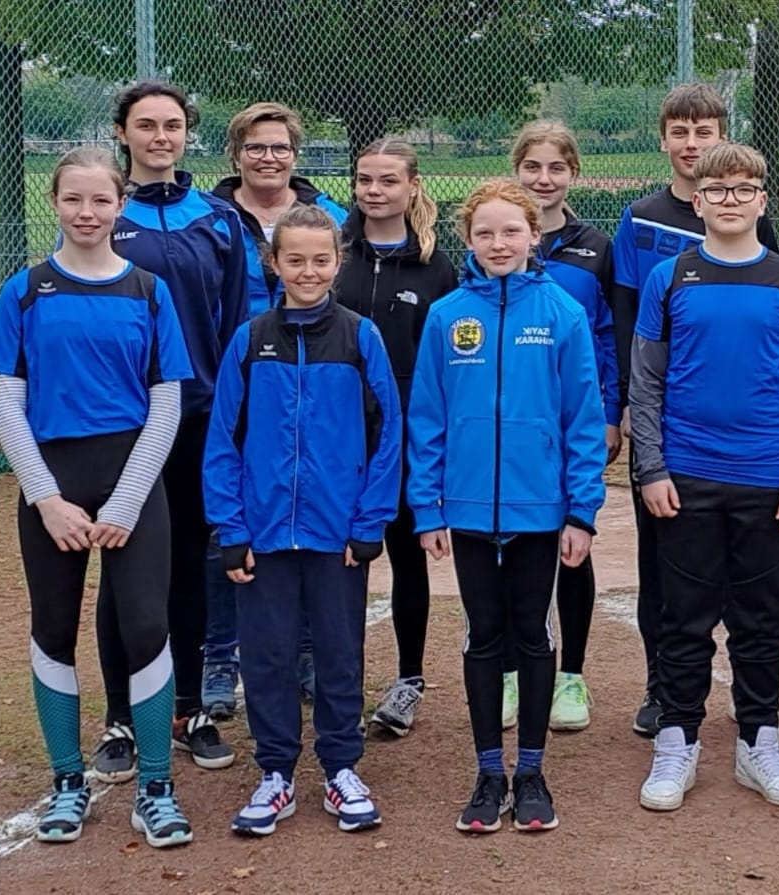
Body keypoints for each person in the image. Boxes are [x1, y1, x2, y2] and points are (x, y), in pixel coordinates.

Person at [0, 148, 194, 848]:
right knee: (53, 626)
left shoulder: (149, 291)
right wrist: (46, 498)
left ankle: (156, 787)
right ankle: (67, 781)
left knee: (146, 625)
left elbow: (166, 403)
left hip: (133, 480)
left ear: (120, 205)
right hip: (54, 484)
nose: (87, 212)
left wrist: (127, 500)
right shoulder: (24, 292)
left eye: (101, 200)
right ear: (55, 202)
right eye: (73, 199)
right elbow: (7, 406)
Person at [631, 142, 779, 812]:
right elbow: (646, 384)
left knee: (761, 618)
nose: (730, 200)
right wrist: (650, 467)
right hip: (685, 475)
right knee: (682, 618)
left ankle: (757, 740)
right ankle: (678, 739)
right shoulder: (669, 278)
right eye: (717, 190)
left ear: (762, 200)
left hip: (768, 480)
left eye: (744, 189)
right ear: (699, 200)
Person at [408, 179, 607, 833]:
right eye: (485, 232)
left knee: (534, 634)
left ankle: (532, 772)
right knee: (482, 635)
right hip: (466, 512)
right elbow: (427, 417)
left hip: (540, 511)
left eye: (511, 231)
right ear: (468, 238)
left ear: (534, 235)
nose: (498, 243)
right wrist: (428, 508)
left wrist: (580, 512)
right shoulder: (447, 315)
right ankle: (489, 771)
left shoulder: (561, 313)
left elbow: (583, 420)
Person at [203, 205, 402, 836]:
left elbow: (387, 435)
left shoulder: (361, 338)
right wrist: (231, 528)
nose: (308, 271)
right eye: (295, 260)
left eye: (321, 260)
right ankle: (276, 774)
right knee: (267, 656)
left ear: (338, 262)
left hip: (337, 535)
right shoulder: (249, 340)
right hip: (262, 536)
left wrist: (369, 523)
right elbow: (223, 441)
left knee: (339, 654)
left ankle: (341, 769)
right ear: (274, 263)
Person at [610, 83, 779, 737]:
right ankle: (663, 687)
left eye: (703, 131)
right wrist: (628, 403)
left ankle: (749, 693)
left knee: (744, 569)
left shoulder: (748, 215)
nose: (691, 143)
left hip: (739, 436)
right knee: (663, 560)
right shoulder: (641, 217)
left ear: (721, 136)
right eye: (679, 132)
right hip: (665, 424)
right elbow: (627, 315)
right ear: (663, 140)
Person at [94, 80, 248, 781]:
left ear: (188, 133)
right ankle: (120, 719)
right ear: (122, 132)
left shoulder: (218, 217)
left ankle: (188, 710)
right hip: (122, 424)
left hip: (198, 417)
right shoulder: (104, 213)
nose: (161, 137)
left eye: (173, 125)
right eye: (147, 125)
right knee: (123, 567)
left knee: (189, 562)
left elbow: (236, 325)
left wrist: (231, 409)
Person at [203, 102, 348, 718]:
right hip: (240, 380)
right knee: (229, 525)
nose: (269, 157)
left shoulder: (331, 216)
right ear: (236, 154)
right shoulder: (209, 218)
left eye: (280, 147)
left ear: (295, 154)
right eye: (256, 147)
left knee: (309, 518)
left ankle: (310, 652)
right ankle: (219, 654)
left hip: (316, 386)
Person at [329, 138, 457, 738]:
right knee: (341, 559)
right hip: (337, 436)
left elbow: (444, 363)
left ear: (412, 186)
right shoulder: (335, 253)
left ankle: (408, 681)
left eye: (387, 181)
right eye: (364, 180)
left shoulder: (437, 267)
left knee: (407, 557)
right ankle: (338, 680)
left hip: (405, 436)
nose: (374, 191)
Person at [507, 120, 621, 732]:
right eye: (532, 167)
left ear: (574, 173)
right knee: (503, 546)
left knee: (572, 541)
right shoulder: (497, 239)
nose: (544, 179)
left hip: (574, 422)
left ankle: (570, 675)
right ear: (516, 170)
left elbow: (607, 335)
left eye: (556, 168)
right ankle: (508, 670)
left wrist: (609, 413)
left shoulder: (596, 247)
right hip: (509, 425)